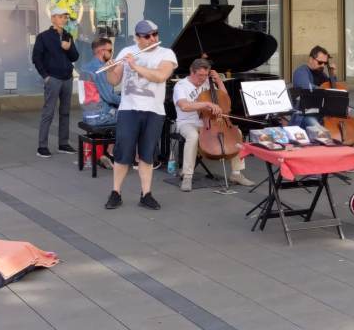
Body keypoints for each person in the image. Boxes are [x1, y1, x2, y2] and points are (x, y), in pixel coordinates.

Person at [104, 20, 177, 211]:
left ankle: (146, 194)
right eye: (147, 36)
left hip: (154, 110)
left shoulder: (166, 54)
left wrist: (135, 66)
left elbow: (160, 76)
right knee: (122, 152)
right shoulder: (126, 51)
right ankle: (116, 192)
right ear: (137, 38)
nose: (152, 38)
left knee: (147, 153)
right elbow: (114, 80)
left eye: (155, 34)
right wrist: (110, 70)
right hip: (128, 109)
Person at [173, 59, 254, 191]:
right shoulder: (181, 86)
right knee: (193, 136)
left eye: (205, 75)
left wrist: (219, 81)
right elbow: (184, 106)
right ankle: (187, 176)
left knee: (237, 134)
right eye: (200, 75)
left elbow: (224, 99)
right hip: (187, 122)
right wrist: (207, 104)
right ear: (192, 71)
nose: (203, 78)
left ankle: (236, 173)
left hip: (210, 121)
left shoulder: (207, 82)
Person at [32, 6, 80, 158]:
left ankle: (63, 144)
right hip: (53, 78)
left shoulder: (68, 35)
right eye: (60, 16)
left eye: (65, 17)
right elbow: (36, 58)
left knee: (65, 112)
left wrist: (68, 48)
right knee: (48, 112)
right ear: (53, 18)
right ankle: (42, 146)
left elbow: (75, 57)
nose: (63, 19)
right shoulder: (43, 37)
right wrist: (45, 76)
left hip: (67, 78)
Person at [80, 37, 122, 167]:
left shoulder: (86, 67)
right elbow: (109, 97)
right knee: (130, 117)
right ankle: (110, 153)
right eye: (110, 50)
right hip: (99, 115)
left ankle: (107, 153)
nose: (112, 53)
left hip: (87, 114)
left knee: (121, 111)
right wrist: (128, 100)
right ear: (101, 51)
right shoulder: (100, 69)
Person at [290, 45, 337, 128]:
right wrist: (326, 91)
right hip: (305, 115)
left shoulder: (322, 74)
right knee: (320, 131)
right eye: (320, 62)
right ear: (311, 59)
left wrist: (332, 75)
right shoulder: (300, 72)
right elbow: (307, 88)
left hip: (321, 114)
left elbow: (333, 90)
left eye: (325, 63)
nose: (323, 65)